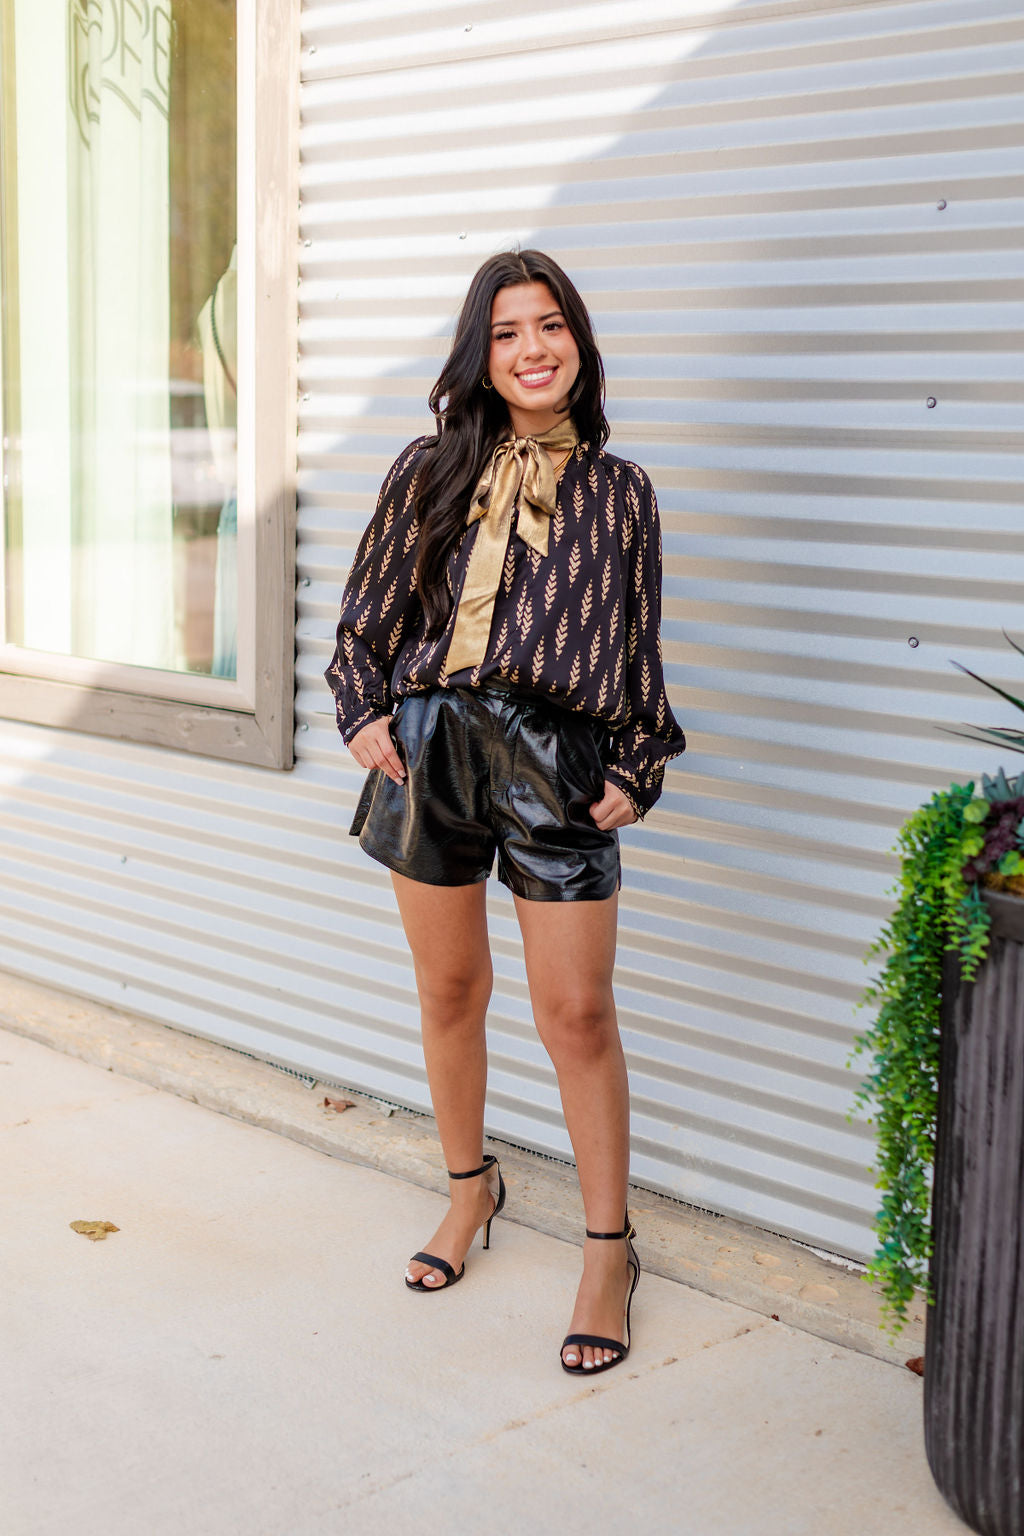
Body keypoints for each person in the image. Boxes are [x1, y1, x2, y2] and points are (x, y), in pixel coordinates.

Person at [325, 250, 685, 1374]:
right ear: (479, 351)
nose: (533, 350)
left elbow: (633, 651)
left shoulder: (622, 494)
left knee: (575, 1013)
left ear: (578, 340)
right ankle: (469, 1190)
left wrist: (635, 766)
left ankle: (606, 1250)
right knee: (449, 988)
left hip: (555, 759)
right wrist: (362, 715)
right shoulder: (426, 467)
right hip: (429, 749)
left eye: (551, 327)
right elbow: (367, 616)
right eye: (506, 332)